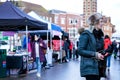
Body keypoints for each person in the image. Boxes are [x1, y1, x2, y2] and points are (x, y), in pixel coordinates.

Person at [78, 13, 104, 80]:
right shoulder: (86, 34)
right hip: (89, 67)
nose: (102, 23)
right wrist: (95, 54)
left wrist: (104, 52)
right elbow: (80, 50)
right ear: (95, 22)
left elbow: (98, 49)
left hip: (98, 67)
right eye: (101, 21)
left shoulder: (100, 35)